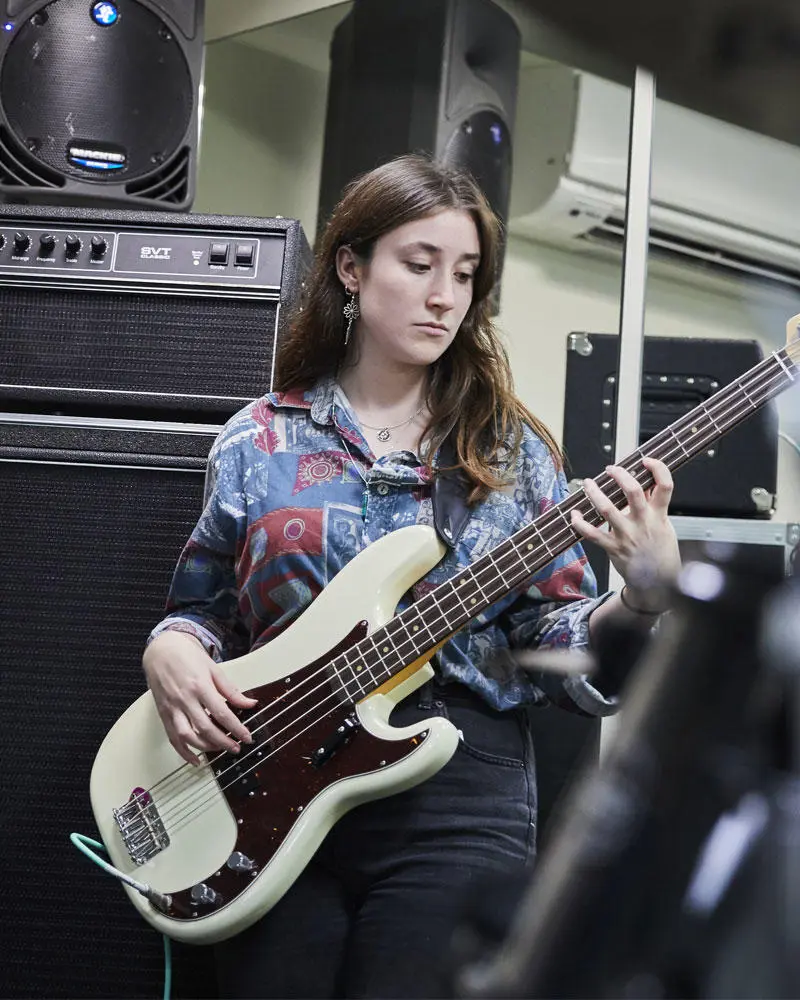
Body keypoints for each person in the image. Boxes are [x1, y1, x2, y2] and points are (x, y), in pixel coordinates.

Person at [142, 153, 681, 999]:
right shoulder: (258, 440)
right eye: (419, 264)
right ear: (351, 268)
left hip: (456, 800)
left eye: (464, 275)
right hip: (273, 787)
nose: (444, 297)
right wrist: (170, 647)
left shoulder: (512, 454)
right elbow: (204, 608)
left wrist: (643, 599)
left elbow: (562, 654)